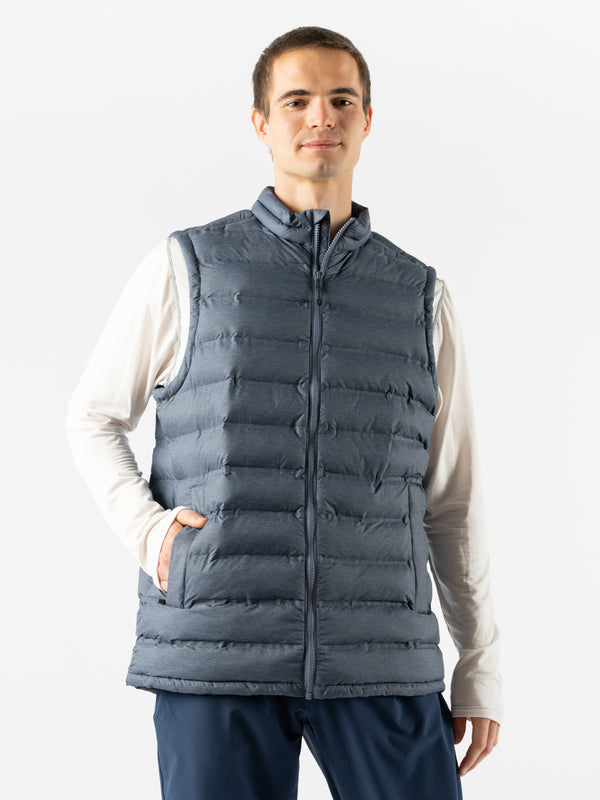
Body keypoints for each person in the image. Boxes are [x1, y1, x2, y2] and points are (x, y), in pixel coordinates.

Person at [65, 25, 503, 800]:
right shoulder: (189, 268)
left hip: (380, 654)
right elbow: (92, 416)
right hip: (216, 647)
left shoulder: (420, 296)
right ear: (261, 123)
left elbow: (451, 499)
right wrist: (150, 533)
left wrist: (481, 665)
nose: (320, 117)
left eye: (341, 100)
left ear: (367, 119)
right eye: (297, 100)